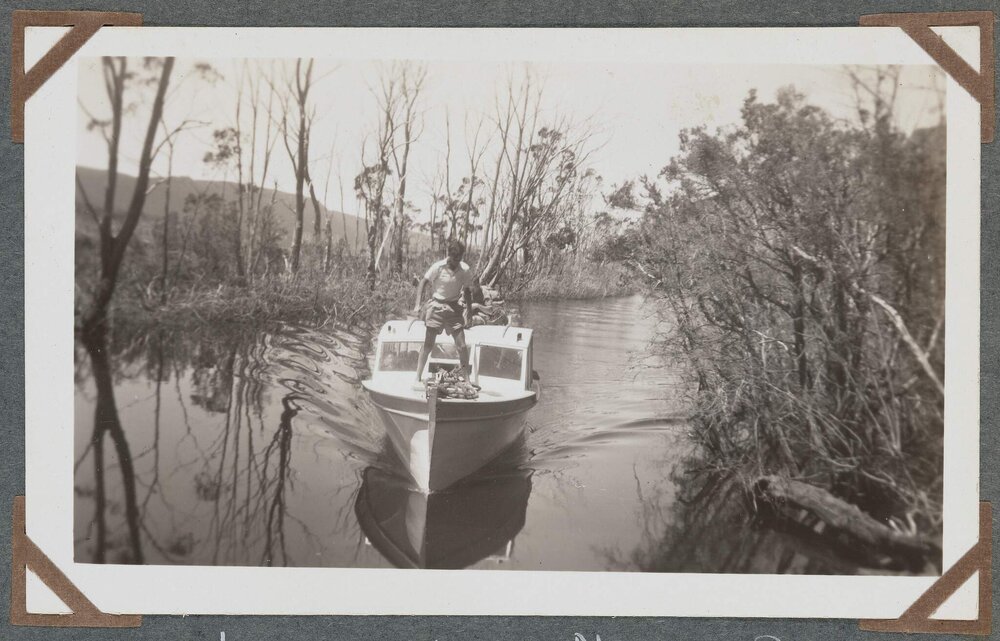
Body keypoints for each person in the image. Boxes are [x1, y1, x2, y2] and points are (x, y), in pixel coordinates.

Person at [412, 240, 474, 386]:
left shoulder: (464, 270)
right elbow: (423, 282)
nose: (457, 261)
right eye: (454, 258)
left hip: (454, 309)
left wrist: (469, 311)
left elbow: (467, 291)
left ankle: (467, 379)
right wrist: (417, 304)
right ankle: (418, 376)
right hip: (436, 307)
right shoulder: (438, 267)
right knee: (428, 344)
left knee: (462, 346)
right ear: (449, 255)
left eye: (459, 258)